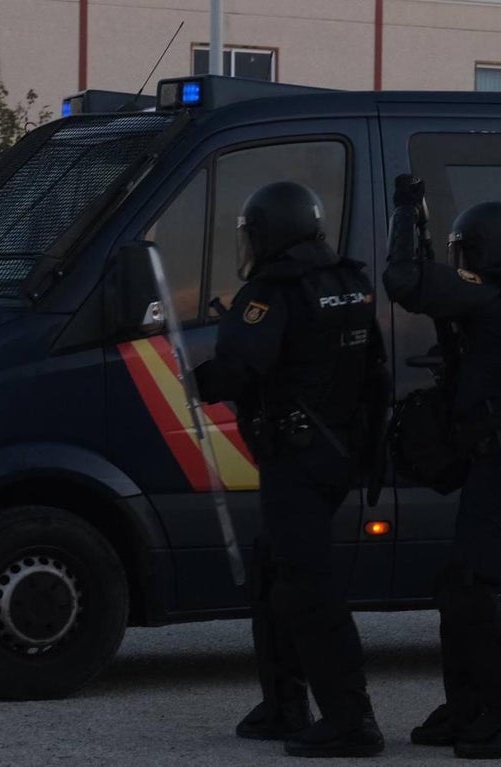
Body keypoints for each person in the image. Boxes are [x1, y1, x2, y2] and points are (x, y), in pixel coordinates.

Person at [193, 181, 390, 758]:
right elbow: (375, 373)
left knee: (306, 586)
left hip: (296, 457)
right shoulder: (349, 283)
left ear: (271, 233)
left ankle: (351, 721)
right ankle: (284, 705)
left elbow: (240, 367)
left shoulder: (272, 292)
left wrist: (200, 378)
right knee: (272, 569)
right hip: (338, 453)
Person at [382, 175, 501, 759]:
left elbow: (405, 281)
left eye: (465, 255)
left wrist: (406, 213)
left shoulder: (496, 295)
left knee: (472, 590)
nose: (461, 268)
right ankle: (467, 709)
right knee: (457, 585)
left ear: (486, 253)